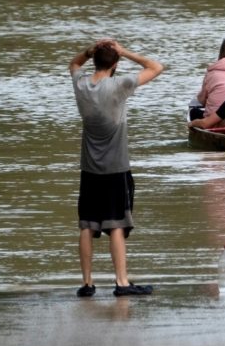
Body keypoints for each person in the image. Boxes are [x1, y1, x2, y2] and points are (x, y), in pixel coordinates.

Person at [69, 39, 164, 297]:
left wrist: (90, 51)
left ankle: (87, 284)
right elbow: (155, 67)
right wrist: (124, 52)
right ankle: (121, 283)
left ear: (96, 61)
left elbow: (75, 63)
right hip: (116, 167)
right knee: (117, 225)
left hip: (89, 168)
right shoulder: (119, 85)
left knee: (87, 225)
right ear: (115, 64)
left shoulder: (81, 84)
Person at [190, 37, 225, 121]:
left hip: (211, 120)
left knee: (193, 112)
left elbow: (202, 100)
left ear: (222, 52)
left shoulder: (211, 72)